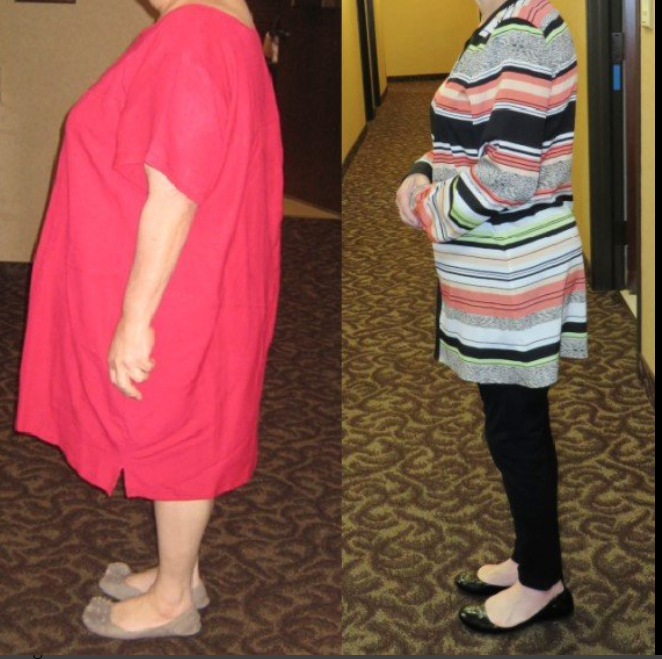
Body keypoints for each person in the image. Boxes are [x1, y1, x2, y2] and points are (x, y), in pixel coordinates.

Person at [13, 0, 283, 640]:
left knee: (174, 435)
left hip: (177, 283)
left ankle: (172, 600)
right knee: (188, 425)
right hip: (207, 269)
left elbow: (176, 189)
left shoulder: (192, 34)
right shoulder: (230, 27)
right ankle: (181, 571)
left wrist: (135, 317)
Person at [395, 0, 588, 634]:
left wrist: (426, 207)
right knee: (513, 425)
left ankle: (543, 583)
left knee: (515, 432)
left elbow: (507, 176)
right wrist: (423, 170)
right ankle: (533, 557)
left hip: (513, 275)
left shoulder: (522, 33)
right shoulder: (502, 25)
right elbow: (471, 141)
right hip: (497, 272)